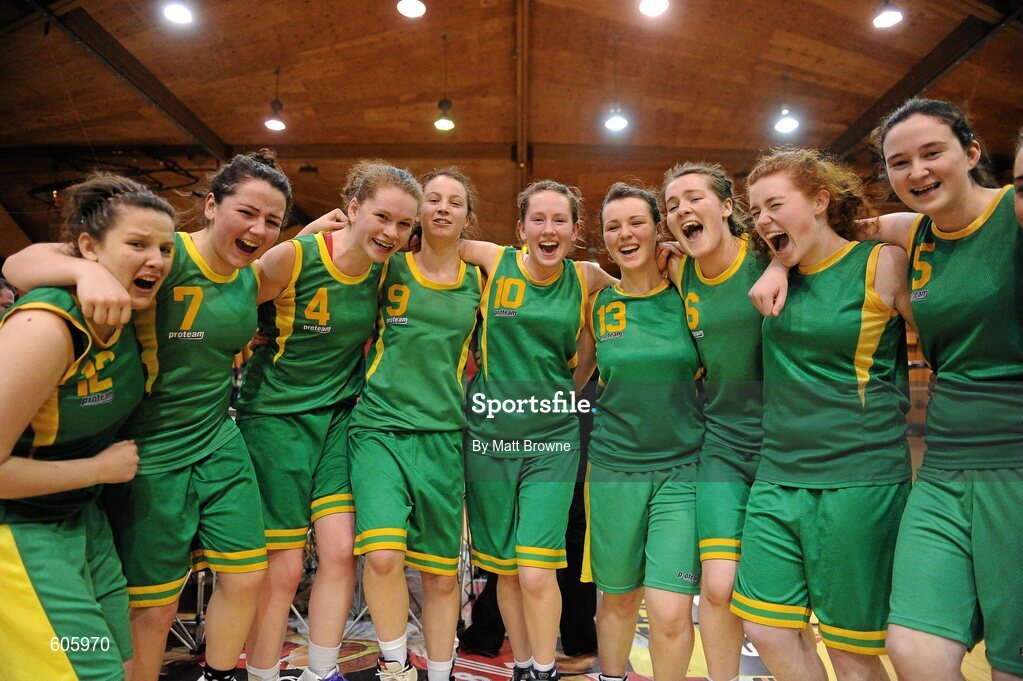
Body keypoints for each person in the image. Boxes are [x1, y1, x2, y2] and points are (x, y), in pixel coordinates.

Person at [4, 150, 293, 681]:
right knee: (153, 609)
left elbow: (319, 249)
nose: (258, 229)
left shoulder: (250, 276)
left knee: (250, 573)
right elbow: (18, 264)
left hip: (215, 438)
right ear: (210, 205)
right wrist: (81, 273)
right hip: (146, 450)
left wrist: (337, 220)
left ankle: (219, 673)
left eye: (272, 220)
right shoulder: (164, 254)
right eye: (246, 212)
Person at [733, 148, 913, 681]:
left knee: (850, 647)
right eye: (756, 210)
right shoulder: (774, 274)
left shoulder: (881, 264)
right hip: (778, 473)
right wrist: (776, 259)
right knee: (765, 628)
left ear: (819, 199)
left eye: (775, 204)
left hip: (858, 479)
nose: (763, 219)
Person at [239, 162, 420, 681]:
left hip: (341, 418)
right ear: (354, 208)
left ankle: (320, 672)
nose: (391, 232)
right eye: (382, 216)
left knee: (342, 553)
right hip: (275, 419)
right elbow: (225, 296)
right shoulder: (294, 256)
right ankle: (262, 673)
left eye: (404, 225)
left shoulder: (387, 270)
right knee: (285, 566)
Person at [868, 100, 1022, 681]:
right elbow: (835, 228)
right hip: (944, 464)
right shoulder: (918, 229)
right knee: (915, 649)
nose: (916, 172)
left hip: (1014, 462)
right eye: (898, 162)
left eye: (932, 153)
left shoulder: (1014, 212)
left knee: (1011, 664)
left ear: (972, 153)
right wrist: (780, 267)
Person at [0, 174, 175, 681]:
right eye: (138, 245)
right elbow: (17, 262)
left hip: (81, 519)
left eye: (164, 248)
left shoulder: (134, 311)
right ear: (86, 247)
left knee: (122, 663)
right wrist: (98, 468)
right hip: (21, 528)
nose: (157, 260)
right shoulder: (46, 326)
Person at [461, 180, 614, 681]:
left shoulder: (587, 276)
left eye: (560, 220)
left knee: (536, 567)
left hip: (551, 440)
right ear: (521, 227)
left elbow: (648, 280)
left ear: (575, 229)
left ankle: (545, 668)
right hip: (489, 440)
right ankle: (524, 667)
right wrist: (315, 230)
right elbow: (427, 240)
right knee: (503, 568)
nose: (549, 230)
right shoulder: (492, 259)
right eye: (539, 219)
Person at [347, 167, 481, 681]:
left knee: (442, 578)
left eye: (456, 201)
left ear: (468, 217)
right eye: (434, 199)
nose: (443, 208)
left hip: (444, 435)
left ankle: (442, 672)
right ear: (418, 212)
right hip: (378, 428)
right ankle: (395, 665)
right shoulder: (388, 268)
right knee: (381, 558)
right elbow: (331, 257)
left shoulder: (481, 280)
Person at [578, 182, 703, 681]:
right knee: (618, 598)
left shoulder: (689, 290)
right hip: (612, 470)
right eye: (613, 226)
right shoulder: (597, 304)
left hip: (683, 468)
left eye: (636, 222)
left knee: (671, 611)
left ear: (658, 229)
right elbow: (576, 378)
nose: (625, 233)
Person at [660, 162, 763, 681]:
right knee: (716, 587)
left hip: (784, 446)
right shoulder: (680, 271)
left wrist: (783, 267)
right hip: (721, 442)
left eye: (694, 199)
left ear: (726, 206)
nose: (682, 211)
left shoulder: (767, 256)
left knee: (777, 601)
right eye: (672, 206)